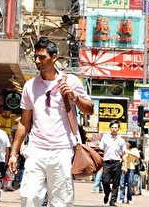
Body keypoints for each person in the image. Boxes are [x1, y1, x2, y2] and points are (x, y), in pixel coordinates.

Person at [8, 37, 94, 207]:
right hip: (36, 150)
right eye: (36, 57)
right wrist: (13, 153)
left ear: (54, 57)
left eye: (42, 57)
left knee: (60, 202)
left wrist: (74, 97)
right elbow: (24, 122)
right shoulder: (30, 86)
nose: (37, 61)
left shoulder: (70, 81)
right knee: (28, 198)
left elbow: (90, 109)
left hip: (62, 150)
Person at [99, 120, 126, 206]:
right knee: (105, 180)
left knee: (116, 183)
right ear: (110, 128)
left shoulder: (121, 140)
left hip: (117, 163)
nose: (114, 129)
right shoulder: (105, 138)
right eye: (112, 127)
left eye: (115, 127)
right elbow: (100, 150)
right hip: (106, 162)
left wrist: (125, 165)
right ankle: (107, 192)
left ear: (118, 129)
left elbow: (124, 154)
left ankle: (113, 201)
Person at [119, 139, 139, 204]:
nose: (126, 143)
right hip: (123, 168)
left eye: (127, 142)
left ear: (131, 144)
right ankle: (121, 198)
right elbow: (122, 156)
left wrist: (128, 152)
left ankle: (129, 199)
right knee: (122, 184)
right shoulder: (124, 149)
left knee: (130, 184)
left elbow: (138, 156)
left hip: (131, 168)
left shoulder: (135, 150)